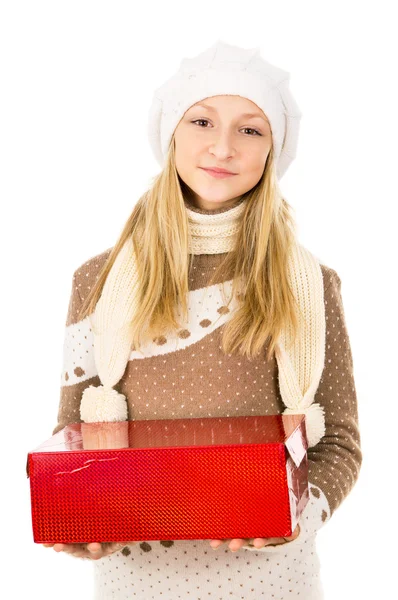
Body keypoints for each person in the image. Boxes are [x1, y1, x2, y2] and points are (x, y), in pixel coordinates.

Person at [43, 40, 362, 600]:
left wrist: (291, 517)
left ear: (273, 151)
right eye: (203, 121)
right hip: (134, 577)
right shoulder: (96, 280)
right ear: (171, 134)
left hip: (272, 580)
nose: (222, 146)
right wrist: (77, 516)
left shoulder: (312, 284)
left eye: (250, 129)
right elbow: (72, 433)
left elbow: (337, 443)